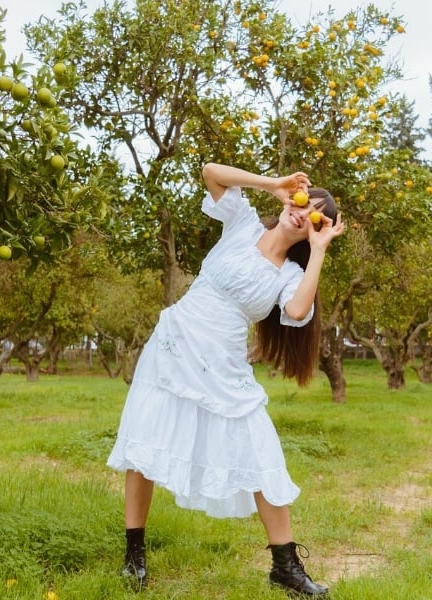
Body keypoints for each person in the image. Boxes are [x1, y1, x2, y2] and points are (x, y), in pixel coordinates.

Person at [107, 162, 345, 596]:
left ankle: (285, 567)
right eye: (303, 202)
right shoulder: (242, 223)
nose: (302, 213)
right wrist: (273, 184)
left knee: (261, 451)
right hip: (174, 346)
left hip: (224, 364)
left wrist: (319, 250)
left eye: (315, 216)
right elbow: (210, 171)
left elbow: (296, 311)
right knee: (145, 444)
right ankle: (133, 557)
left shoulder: (290, 274)